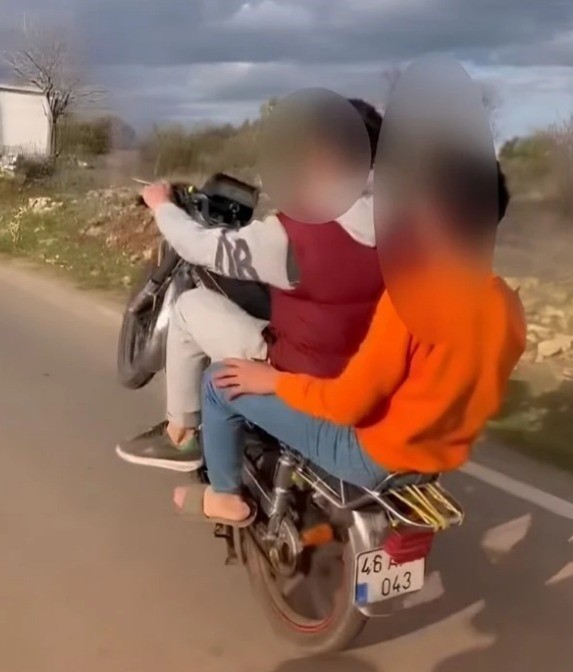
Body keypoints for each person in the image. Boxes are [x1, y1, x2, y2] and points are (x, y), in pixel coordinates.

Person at [173, 162, 527, 526]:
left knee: (219, 383)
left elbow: (347, 405)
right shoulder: (508, 306)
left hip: (369, 456)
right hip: (437, 459)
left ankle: (224, 496)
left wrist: (273, 381)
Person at [116, 98, 384, 471]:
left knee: (190, 308)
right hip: (372, 375)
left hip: (303, 376)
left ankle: (181, 434)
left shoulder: (299, 233)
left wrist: (162, 206)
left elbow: (199, 246)